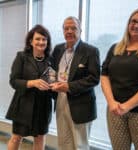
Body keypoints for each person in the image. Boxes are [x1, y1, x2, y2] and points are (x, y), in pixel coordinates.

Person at [101, 8, 138, 150]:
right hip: (115, 111)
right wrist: (111, 102)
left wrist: (127, 106)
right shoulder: (115, 48)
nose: (136, 25)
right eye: (133, 21)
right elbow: (104, 75)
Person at [50, 16, 100, 150]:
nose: (69, 31)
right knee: (63, 142)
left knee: (80, 145)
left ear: (80, 30)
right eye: (66, 28)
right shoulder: (58, 49)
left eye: (73, 28)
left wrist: (69, 86)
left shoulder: (91, 51)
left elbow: (94, 78)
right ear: (63, 31)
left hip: (81, 105)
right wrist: (51, 83)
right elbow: (52, 71)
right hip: (60, 100)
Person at [6, 24, 53, 150]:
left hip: (43, 106)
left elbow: (54, 81)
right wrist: (32, 83)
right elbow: (13, 81)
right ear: (31, 41)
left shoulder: (51, 60)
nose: (41, 42)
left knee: (40, 138)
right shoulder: (21, 57)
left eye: (44, 39)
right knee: (16, 137)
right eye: (38, 39)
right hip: (23, 105)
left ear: (47, 42)